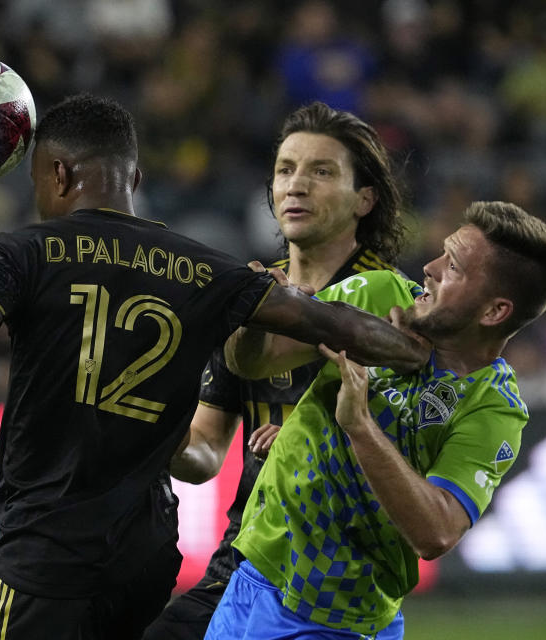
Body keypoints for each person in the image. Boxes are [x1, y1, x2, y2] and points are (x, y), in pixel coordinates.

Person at [0, 94, 429, 640]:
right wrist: (429, 347)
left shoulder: (24, 253)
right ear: (137, 176)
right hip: (148, 552)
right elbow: (332, 323)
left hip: (47, 551)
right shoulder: (204, 267)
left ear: (57, 174)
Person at [205, 201, 546, 639]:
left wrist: (359, 426)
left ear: (494, 312)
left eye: (453, 267)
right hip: (251, 580)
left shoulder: (493, 406)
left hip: (336, 619)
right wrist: (258, 314)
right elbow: (255, 362)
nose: (430, 267)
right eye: (442, 252)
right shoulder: (381, 293)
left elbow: (436, 532)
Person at [145, 100, 407, 640]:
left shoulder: (395, 308)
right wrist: (152, 425)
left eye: (321, 171)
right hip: (248, 555)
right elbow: (204, 456)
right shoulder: (246, 299)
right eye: (286, 170)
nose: (296, 185)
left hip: (341, 570)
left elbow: (421, 446)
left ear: (366, 199)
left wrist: (315, 442)